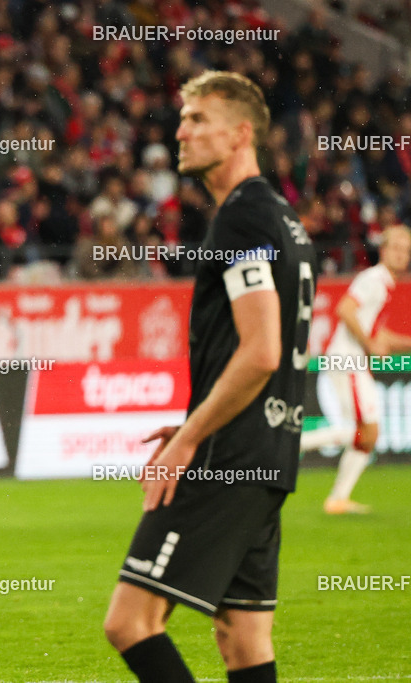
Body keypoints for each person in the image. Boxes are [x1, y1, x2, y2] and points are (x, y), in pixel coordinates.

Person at [103, 71, 317, 683]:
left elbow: (261, 352)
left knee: (130, 621)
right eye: (182, 118)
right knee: (243, 638)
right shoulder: (283, 217)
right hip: (271, 450)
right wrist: (199, 415)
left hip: (230, 454)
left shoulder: (243, 218)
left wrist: (190, 438)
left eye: (198, 118)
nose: (181, 131)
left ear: (241, 132)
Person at [299, 225, 411, 514]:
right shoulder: (373, 279)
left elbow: (379, 336)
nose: (402, 255)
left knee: (367, 434)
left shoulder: (384, 284)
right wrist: (368, 344)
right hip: (347, 360)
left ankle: (338, 498)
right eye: (397, 248)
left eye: (406, 250)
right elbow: (345, 309)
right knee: (364, 432)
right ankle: (294, 442)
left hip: (351, 360)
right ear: (383, 250)